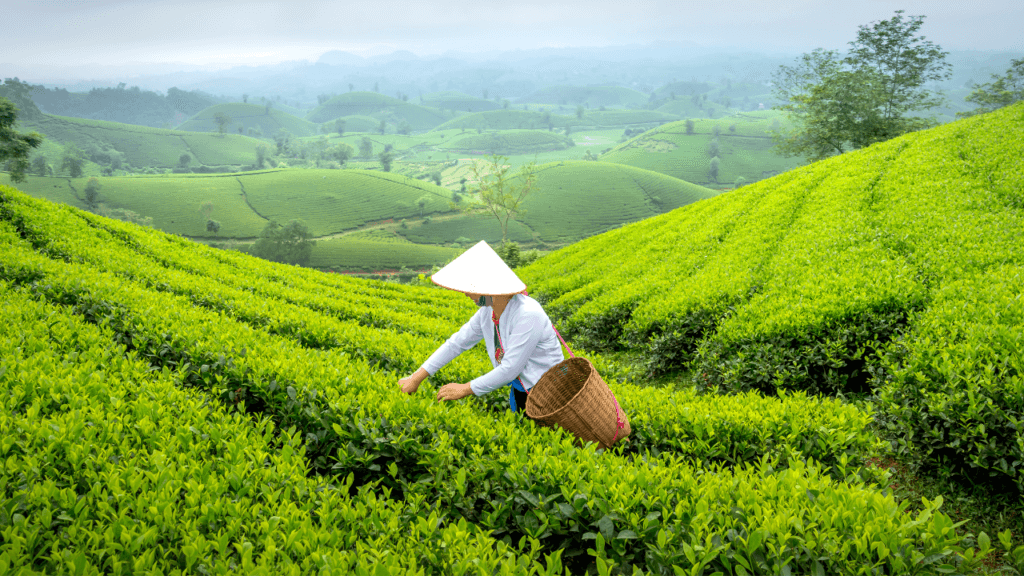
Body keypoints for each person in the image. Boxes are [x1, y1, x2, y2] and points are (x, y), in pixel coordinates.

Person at [399, 241, 565, 414]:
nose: (467, 293)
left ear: (491, 288)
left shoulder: (528, 314)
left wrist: (465, 388)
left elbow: (510, 369)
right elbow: (456, 343)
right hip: (523, 389)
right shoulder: (488, 311)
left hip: (550, 393)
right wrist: (416, 378)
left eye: (473, 288)